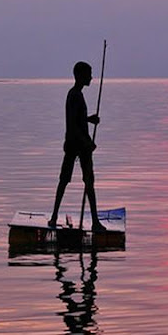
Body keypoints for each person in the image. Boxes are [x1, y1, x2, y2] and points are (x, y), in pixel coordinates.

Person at [49, 61, 106, 232]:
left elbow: (78, 119)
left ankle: (93, 220)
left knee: (87, 181)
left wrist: (89, 119)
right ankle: (56, 217)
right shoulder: (74, 95)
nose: (91, 78)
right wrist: (87, 142)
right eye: (89, 74)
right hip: (76, 145)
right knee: (68, 180)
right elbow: (73, 125)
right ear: (80, 76)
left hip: (77, 144)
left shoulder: (76, 94)